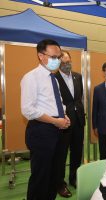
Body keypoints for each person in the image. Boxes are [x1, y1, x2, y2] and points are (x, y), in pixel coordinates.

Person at [21, 39, 70, 200]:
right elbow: (28, 110)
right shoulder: (31, 77)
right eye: (54, 57)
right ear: (41, 56)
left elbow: (58, 103)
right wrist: (56, 121)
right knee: (40, 177)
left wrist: (64, 116)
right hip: (41, 131)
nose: (57, 61)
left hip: (58, 131)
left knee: (54, 176)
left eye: (59, 57)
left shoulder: (54, 79)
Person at [55, 50, 85, 197]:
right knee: (61, 154)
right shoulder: (54, 79)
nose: (67, 65)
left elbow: (79, 98)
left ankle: (74, 177)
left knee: (77, 151)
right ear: (58, 63)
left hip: (78, 120)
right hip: (63, 123)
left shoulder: (78, 76)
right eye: (63, 63)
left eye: (68, 62)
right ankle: (60, 184)